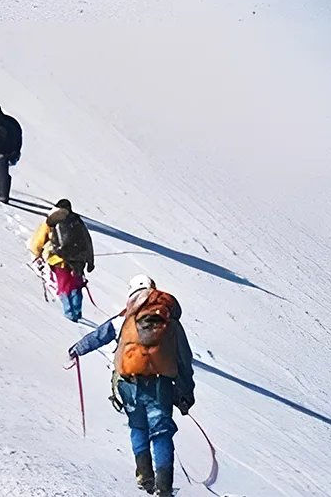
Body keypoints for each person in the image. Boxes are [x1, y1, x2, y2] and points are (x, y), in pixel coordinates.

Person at [68, 275, 195, 497]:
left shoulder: (124, 318)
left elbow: (99, 336)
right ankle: (164, 487)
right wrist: (186, 392)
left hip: (129, 384)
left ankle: (145, 476)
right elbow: (184, 358)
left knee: (138, 427)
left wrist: (77, 349)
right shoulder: (170, 322)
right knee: (162, 430)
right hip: (160, 383)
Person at [28, 199, 94, 321]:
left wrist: (37, 254)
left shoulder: (51, 221)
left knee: (64, 286)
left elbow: (37, 241)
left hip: (57, 260)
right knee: (76, 285)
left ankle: (69, 313)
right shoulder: (77, 221)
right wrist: (90, 261)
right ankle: (77, 311)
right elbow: (87, 240)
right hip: (77, 262)